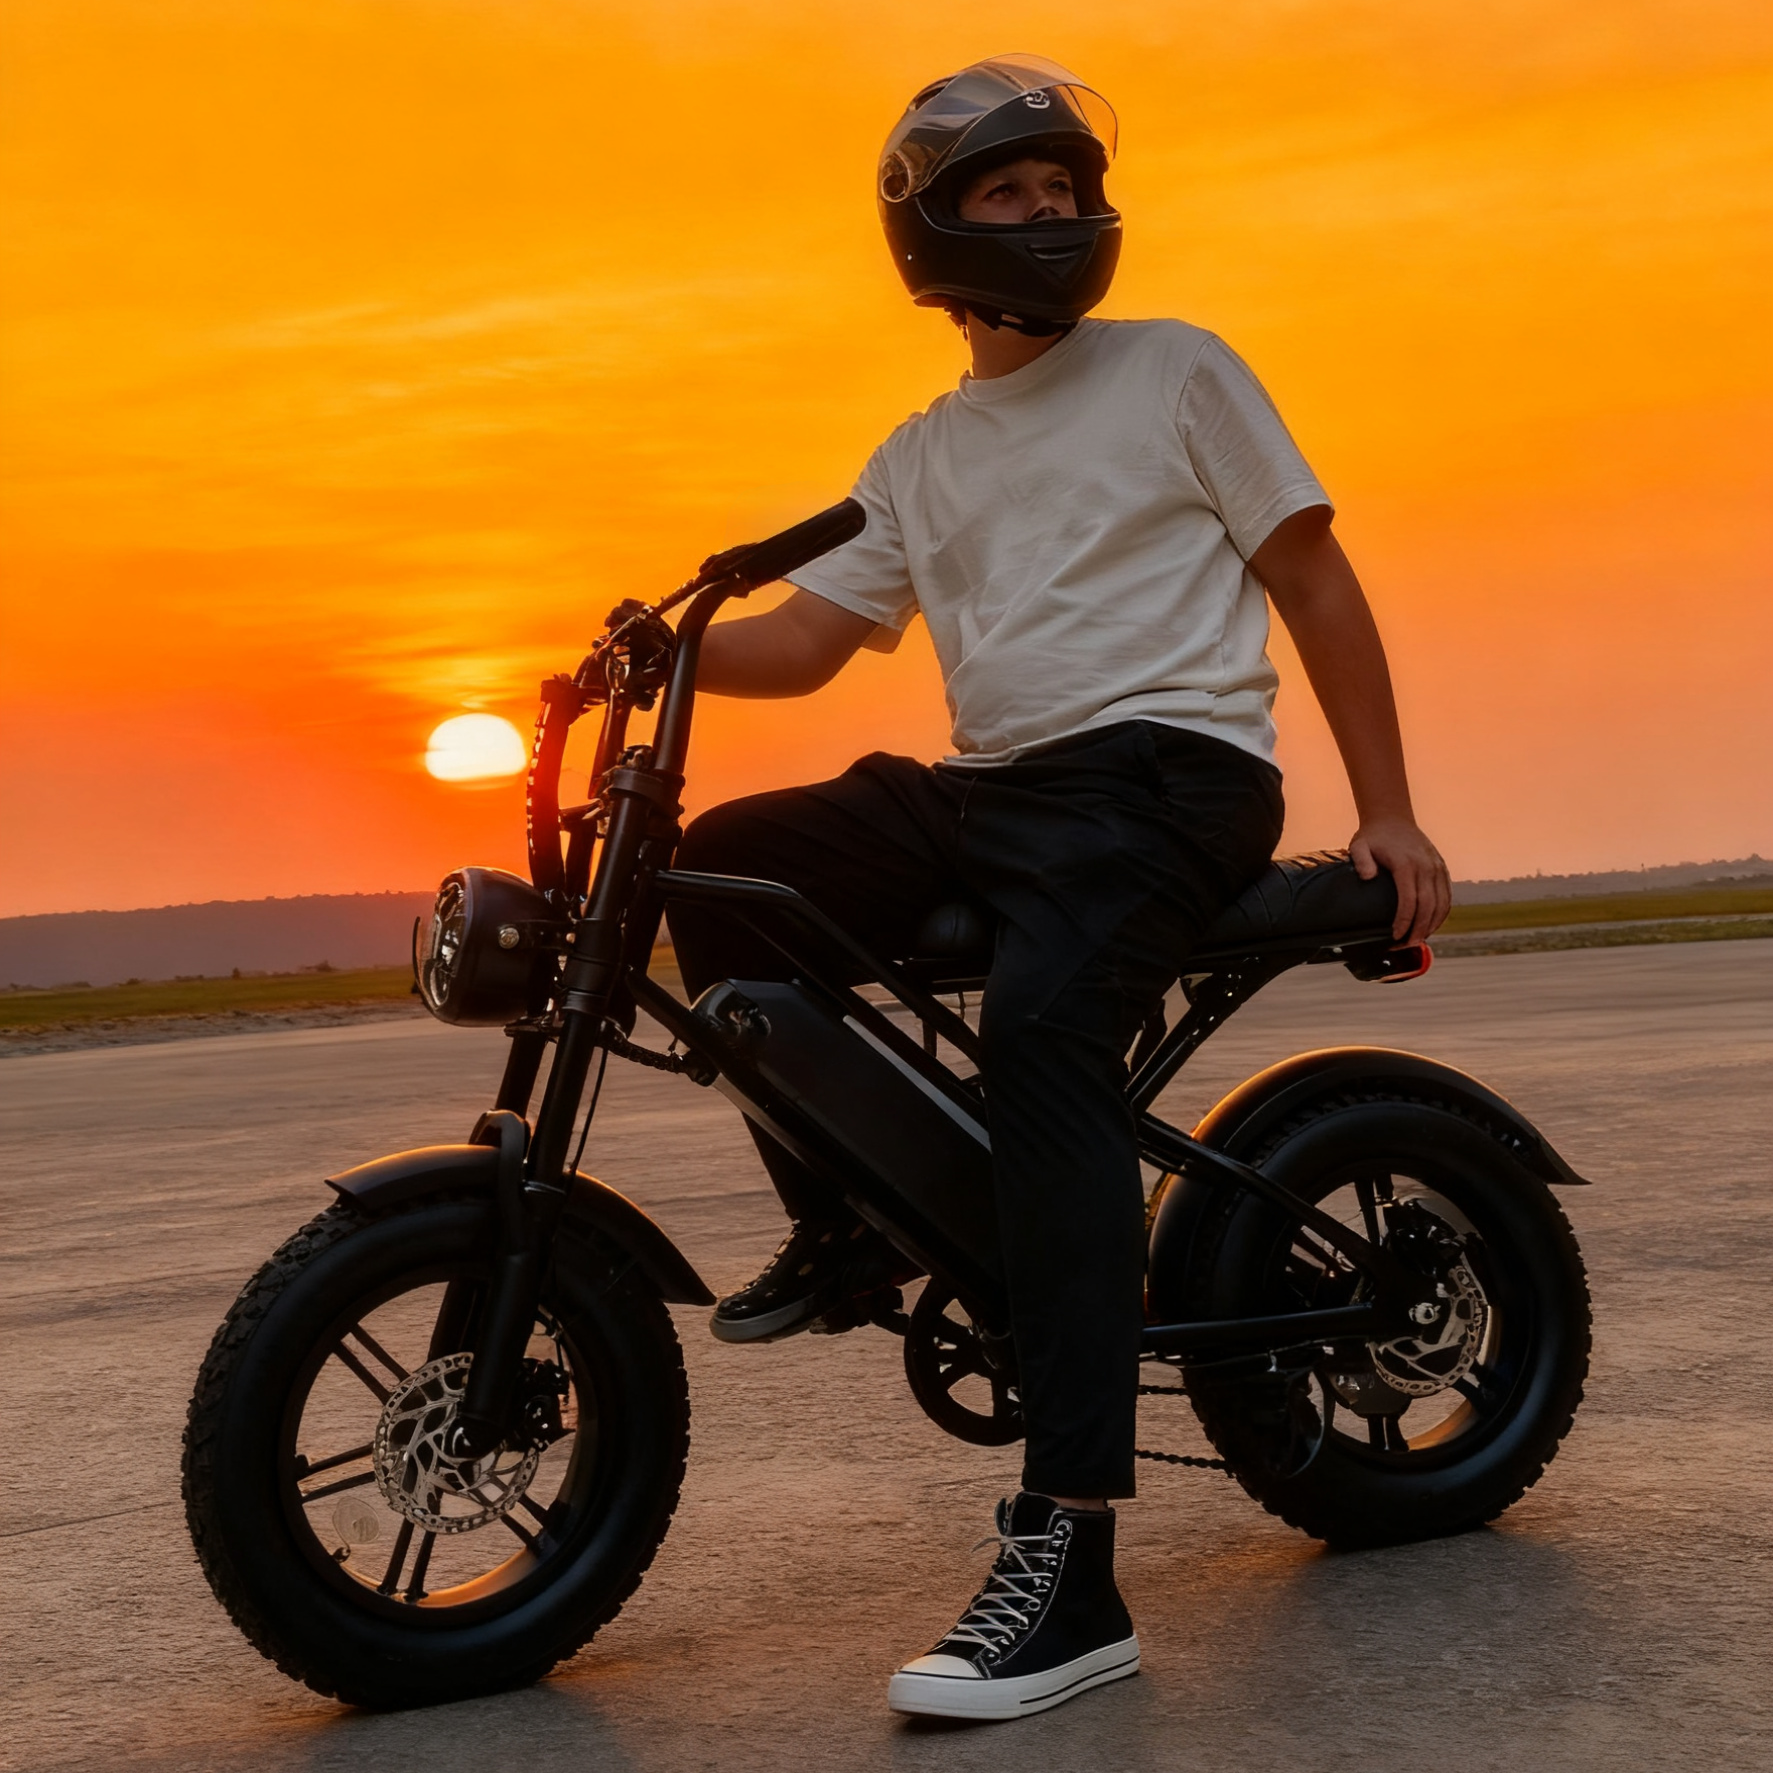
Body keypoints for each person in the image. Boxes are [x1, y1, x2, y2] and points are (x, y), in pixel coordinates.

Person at [667, 53, 1451, 1721]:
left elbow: (1309, 575)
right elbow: (811, 641)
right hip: (998, 789)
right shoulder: (919, 449)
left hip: (1169, 776)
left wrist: (1391, 811)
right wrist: (656, 656)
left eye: (1064, 188)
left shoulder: (1178, 369)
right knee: (724, 868)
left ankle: (1073, 1555)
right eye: (1006, 193)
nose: (1050, 214)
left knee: (1043, 1041)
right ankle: (850, 1227)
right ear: (929, 230)